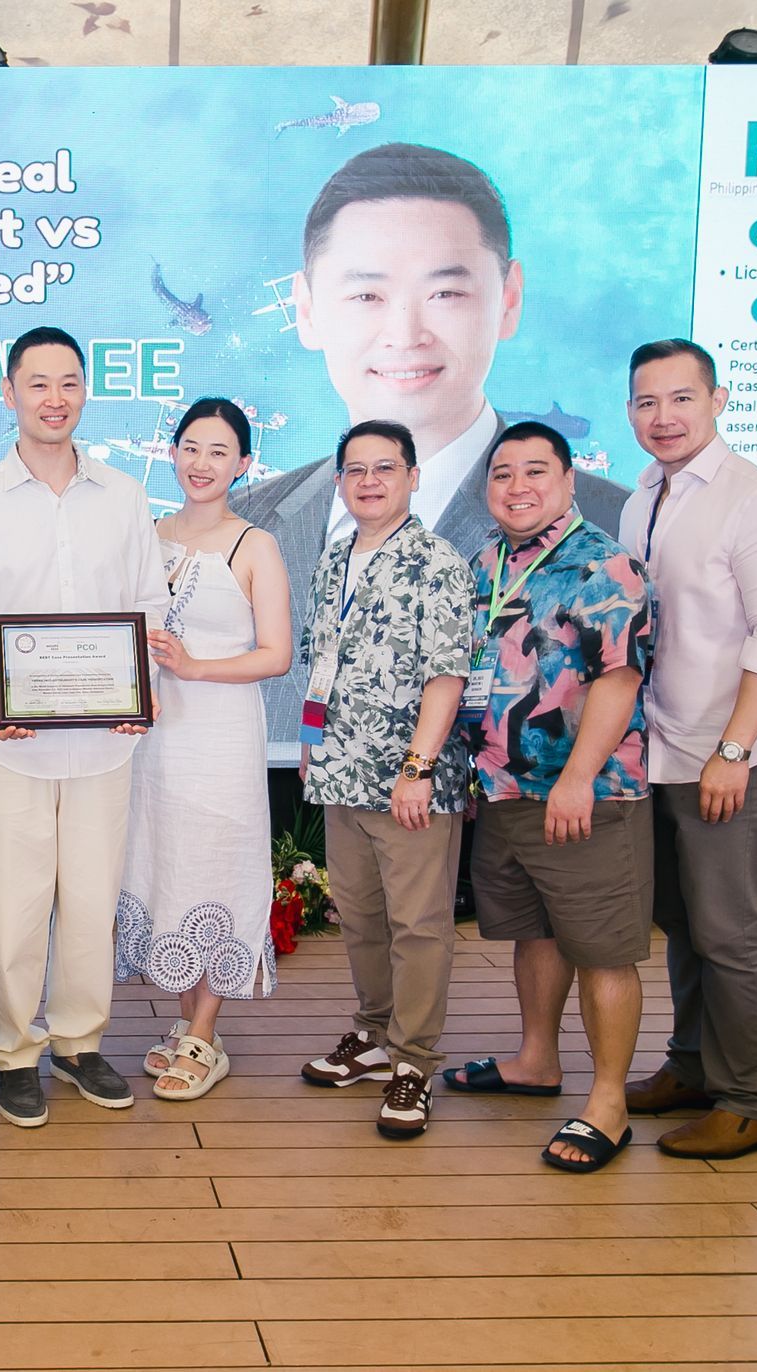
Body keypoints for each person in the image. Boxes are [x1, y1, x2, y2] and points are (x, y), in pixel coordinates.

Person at [230, 142, 630, 747]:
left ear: (509, 299)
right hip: (310, 789)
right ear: (306, 309)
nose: (405, 333)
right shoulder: (246, 521)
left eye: (445, 294)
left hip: (495, 791)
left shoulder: (611, 520)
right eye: (367, 296)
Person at [0, 325, 167, 1128]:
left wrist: (139, 684)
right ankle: (13, 1051)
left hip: (104, 744)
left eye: (69, 383)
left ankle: (78, 1042)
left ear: (85, 391)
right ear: (9, 392)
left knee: (93, 903)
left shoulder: (125, 496)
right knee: (12, 907)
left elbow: (149, 605)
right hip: (10, 743)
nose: (54, 399)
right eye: (38, 383)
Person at [618, 339, 757, 1159]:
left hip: (724, 753)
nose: (663, 417)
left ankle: (752, 1100)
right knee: (682, 919)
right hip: (658, 747)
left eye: (681, 399)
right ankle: (694, 1065)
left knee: (728, 930)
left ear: (718, 399)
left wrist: (735, 750)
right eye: (646, 402)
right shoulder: (642, 497)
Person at [441, 420, 655, 1173]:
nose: (517, 486)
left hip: (587, 793)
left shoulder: (605, 564)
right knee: (535, 932)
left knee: (602, 949)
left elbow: (619, 680)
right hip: (503, 788)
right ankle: (536, 1060)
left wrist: (576, 778)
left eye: (536, 471)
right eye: (503, 473)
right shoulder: (486, 561)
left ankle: (609, 1103)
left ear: (568, 480)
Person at [296, 420, 474, 1140]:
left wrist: (418, 767)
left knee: (419, 926)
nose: (369, 481)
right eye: (356, 469)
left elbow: (447, 674)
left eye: (385, 468)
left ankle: (414, 1062)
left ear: (413, 477)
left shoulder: (438, 562)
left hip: (409, 782)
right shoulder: (334, 558)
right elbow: (321, 661)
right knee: (362, 916)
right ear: (341, 480)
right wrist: (311, 743)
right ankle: (373, 1036)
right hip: (339, 770)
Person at [118, 399, 292, 1102]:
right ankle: (194, 1027)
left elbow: (276, 655)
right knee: (168, 864)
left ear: (243, 463)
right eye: (191, 447)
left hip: (220, 734)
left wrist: (194, 668)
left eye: (219, 452)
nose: (201, 463)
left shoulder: (256, 545)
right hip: (153, 739)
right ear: (172, 453)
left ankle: (205, 1029)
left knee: (218, 864)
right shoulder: (147, 534)